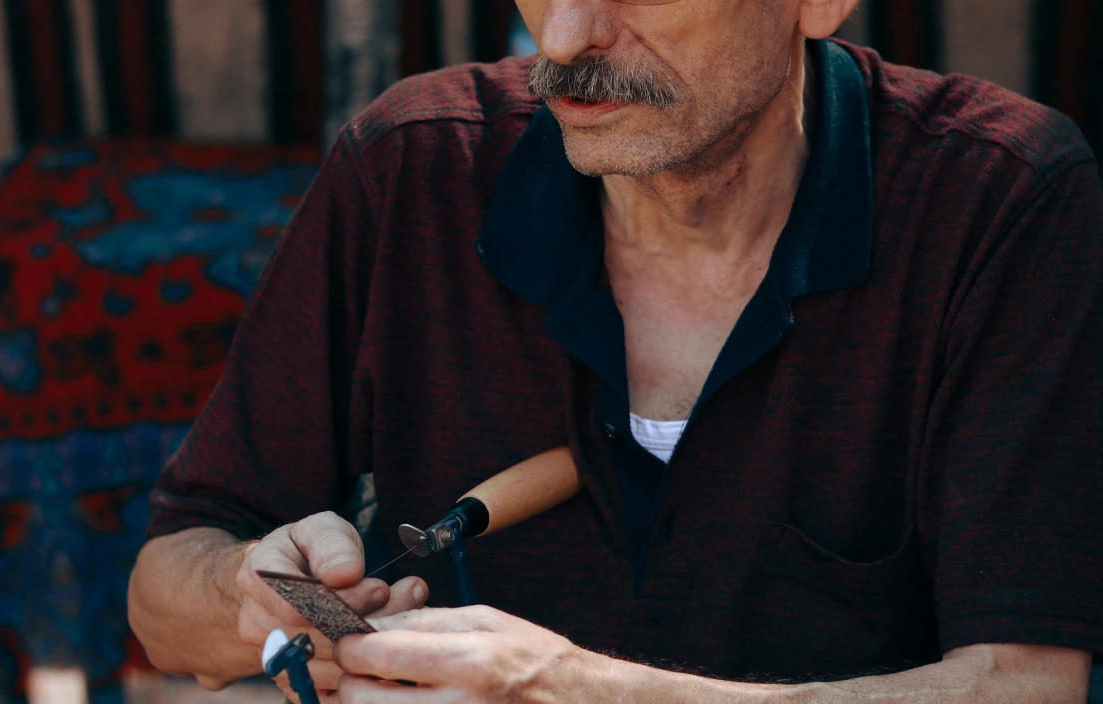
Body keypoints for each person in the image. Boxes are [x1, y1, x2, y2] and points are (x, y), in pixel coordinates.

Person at [128, 0, 1103, 701]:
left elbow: (1024, 680)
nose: (562, 37)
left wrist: (565, 687)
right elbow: (166, 583)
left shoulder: (1001, 198)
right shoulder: (410, 168)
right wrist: (260, 588)